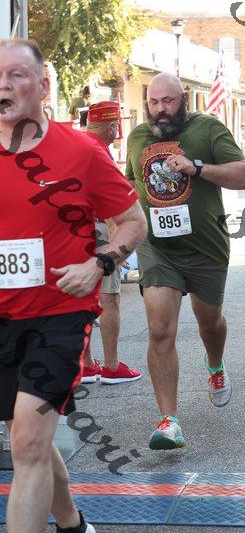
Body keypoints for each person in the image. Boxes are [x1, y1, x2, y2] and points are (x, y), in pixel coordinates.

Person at [0, 39, 147, 533]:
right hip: (3, 316)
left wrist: (99, 263)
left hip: (60, 313)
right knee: (28, 437)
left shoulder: (81, 152)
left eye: (16, 75)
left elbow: (133, 221)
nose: (3, 85)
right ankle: (73, 526)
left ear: (43, 87)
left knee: (27, 441)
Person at [125, 72, 245, 450]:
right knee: (160, 330)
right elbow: (129, 184)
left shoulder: (207, 129)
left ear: (183, 99)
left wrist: (197, 167)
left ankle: (215, 365)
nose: (160, 109)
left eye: (168, 101)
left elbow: (244, 176)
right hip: (158, 249)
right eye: (153, 102)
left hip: (205, 247)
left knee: (209, 323)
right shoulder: (137, 137)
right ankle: (169, 422)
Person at [80, 101, 142, 384]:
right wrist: (120, 243)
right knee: (109, 297)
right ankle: (111, 366)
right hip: (98, 228)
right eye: (116, 125)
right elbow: (118, 205)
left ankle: (87, 364)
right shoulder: (99, 152)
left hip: (74, 230)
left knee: (83, 297)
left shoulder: (76, 145)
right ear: (111, 126)